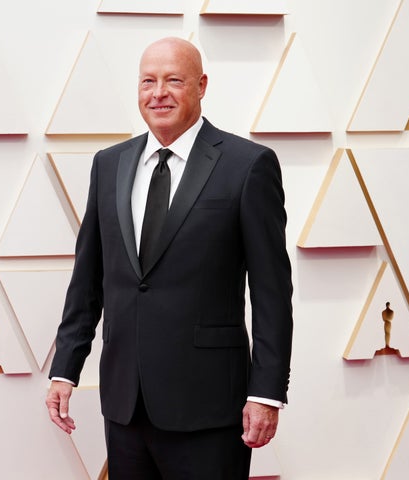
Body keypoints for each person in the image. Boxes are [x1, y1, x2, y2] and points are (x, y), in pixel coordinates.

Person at [46, 37, 293, 479]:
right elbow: (88, 279)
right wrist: (65, 369)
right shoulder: (109, 165)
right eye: (148, 81)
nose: (158, 92)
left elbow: (272, 291)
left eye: (173, 80)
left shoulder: (248, 165)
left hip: (210, 407)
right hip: (125, 405)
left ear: (201, 85)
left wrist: (267, 393)